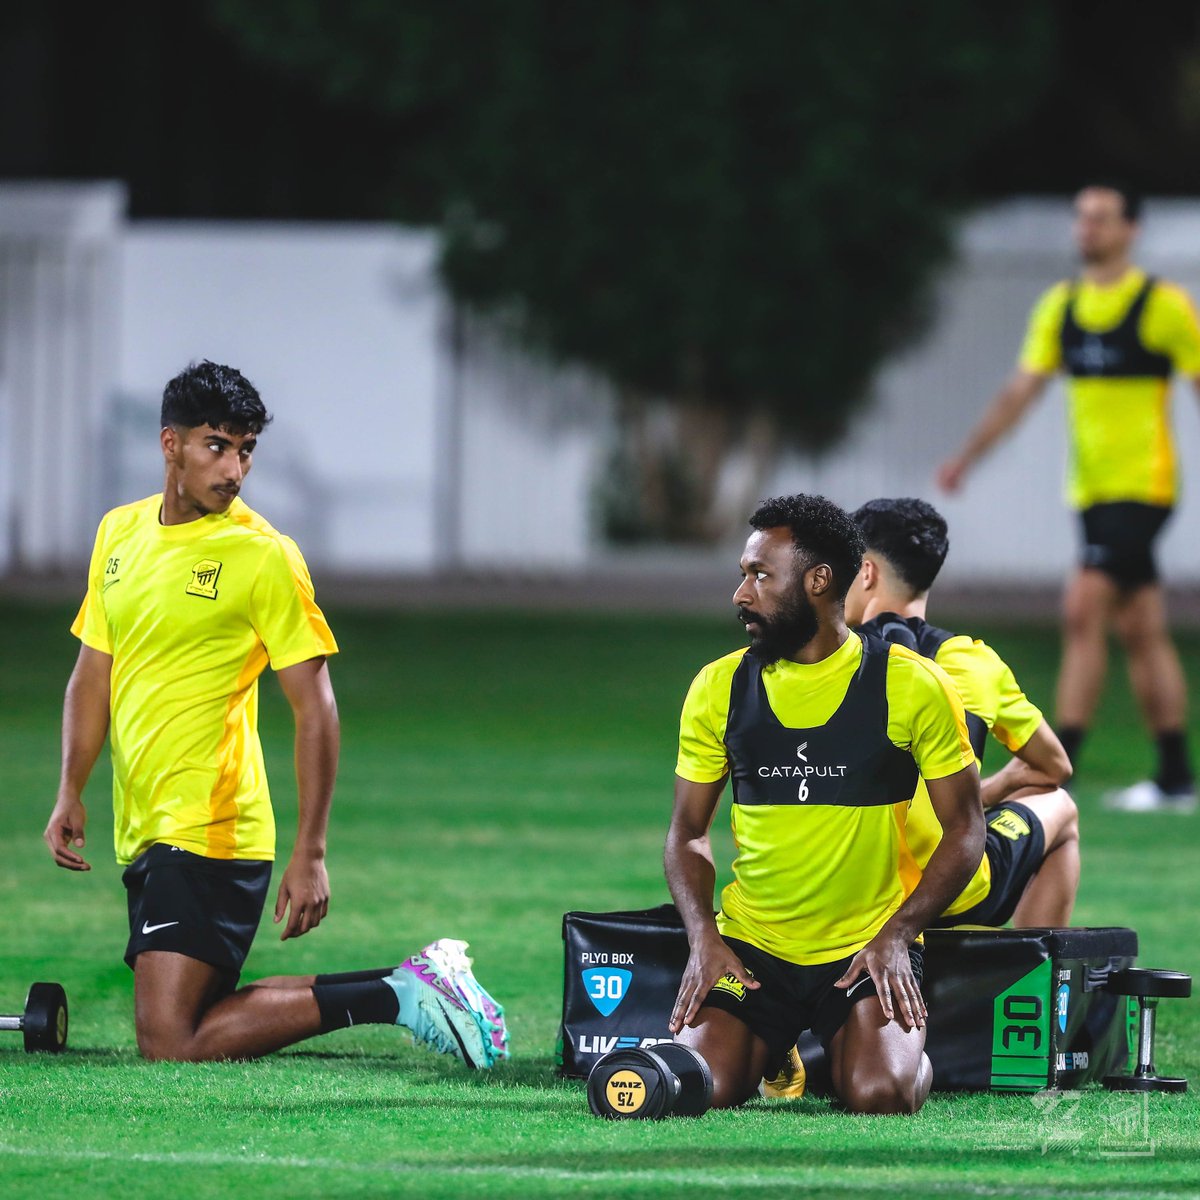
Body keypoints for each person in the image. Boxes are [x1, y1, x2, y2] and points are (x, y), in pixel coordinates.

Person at [42, 360, 508, 1066]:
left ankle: (398, 995)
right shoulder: (119, 534)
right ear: (170, 444)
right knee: (189, 1024)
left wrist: (311, 851)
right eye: (216, 445)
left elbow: (316, 709)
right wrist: (70, 788)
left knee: (169, 1041)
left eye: (246, 449)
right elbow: (92, 672)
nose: (234, 468)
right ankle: (411, 989)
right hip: (144, 823)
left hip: (211, 824)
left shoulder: (264, 556)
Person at [664, 493, 983, 1115]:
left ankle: (861, 1051)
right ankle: (788, 1041)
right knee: (697, 1085)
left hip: (866, 945)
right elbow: (687, 834)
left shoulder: (910, 682)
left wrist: (900, 933)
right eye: (742, 574)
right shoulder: (719, 687)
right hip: (752, 947)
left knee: (879, 1093)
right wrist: (704, 936)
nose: (741, 593)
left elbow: (965, 830)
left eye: (761, 575)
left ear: (818, 581)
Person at [937, 182, 1200, 813]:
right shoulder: (1061, 307)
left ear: (1130, 229)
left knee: (1083, 609)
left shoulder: (1163, 307)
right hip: (1090, 493)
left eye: (1101, 218)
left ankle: (1056, 766)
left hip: (1144, 488)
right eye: (1081, 218)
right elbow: (1020, 392)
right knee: (1140, 628)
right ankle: (1174, 778)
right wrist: (968, 457)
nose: (1087, 229)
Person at [845, 497, 1079, 929]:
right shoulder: (971, 661)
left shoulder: (821, 661)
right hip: (945, 889)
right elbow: (1055, 767)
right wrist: (1002, 783)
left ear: (866, 571)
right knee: (1060, 806)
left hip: (836, 886)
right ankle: (1030, 979)